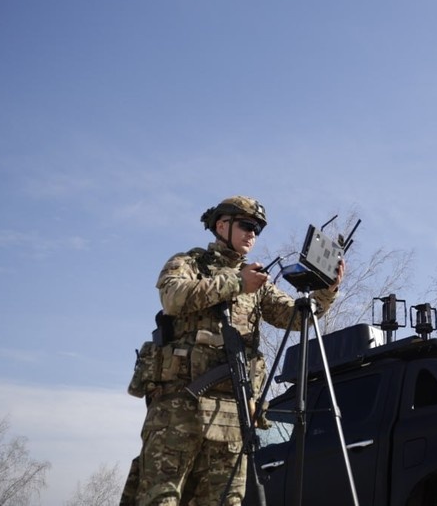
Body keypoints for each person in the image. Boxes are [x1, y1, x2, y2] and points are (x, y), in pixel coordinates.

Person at [129, 195, 344, 506]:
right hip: (179, 406)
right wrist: (236, 283)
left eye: (257, 229)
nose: (252, 233)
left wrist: (326, 291)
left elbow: (295, 317)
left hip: (233, 412)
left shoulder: (259, 283)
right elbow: (173, 297)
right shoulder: (190, 263)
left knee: (225, 500)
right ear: (221, 225)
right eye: (246, 225)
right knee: (162, 497)